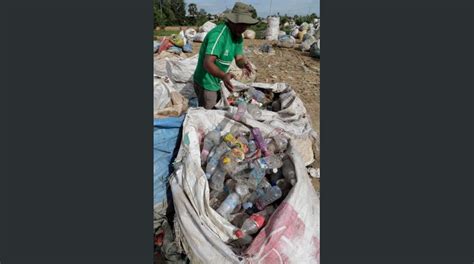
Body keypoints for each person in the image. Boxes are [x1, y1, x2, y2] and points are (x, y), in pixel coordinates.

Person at [193, 2, 258, 109]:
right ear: (232, 21)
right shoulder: (219, 35)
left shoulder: (238, 37)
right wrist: (224, 76)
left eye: (246, 25)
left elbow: (239, 58)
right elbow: (208, 63)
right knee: (208, 114)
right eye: (241, 24)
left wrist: (244, 63)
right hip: (206, 82)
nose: (244, 28)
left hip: (218, 80)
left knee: (217, 108)